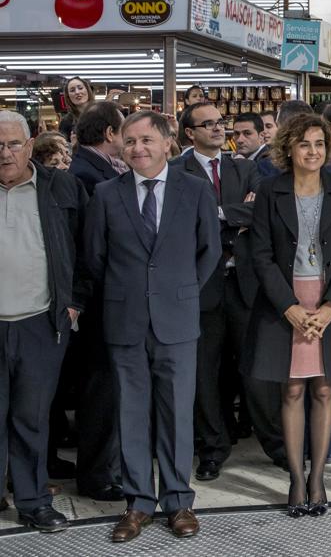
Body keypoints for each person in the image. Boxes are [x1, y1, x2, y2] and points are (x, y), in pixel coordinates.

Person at [80, 110, 220, 542]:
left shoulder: (194, 191)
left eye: (146, 140)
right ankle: (138, 502)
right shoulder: (106, 193)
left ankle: (178, 501)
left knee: (177, 413)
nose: (137, 148)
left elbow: (209, 251)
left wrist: (178, 291)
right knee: (131, 413)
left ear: (167, 142)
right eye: (129, 141)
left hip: (177, 320)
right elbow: (95, 258)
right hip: (124, 320)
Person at [243, 114, 331, 517]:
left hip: (330, 299)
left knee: (325, 389)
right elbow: (260, 256)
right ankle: (297, 477)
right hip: (286, 299)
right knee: (293, 390)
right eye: (303, 144)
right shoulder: (269, 190)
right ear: (288, 149)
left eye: (318, 144)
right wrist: (289, 307)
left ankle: (319, 477)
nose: (312, 151)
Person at [174, 101, 269, 481]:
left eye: (220, 122)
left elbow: (260, 210)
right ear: (189, 133)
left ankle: (276, 443)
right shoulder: (177, 172)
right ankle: (213, 447)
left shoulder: (243, 167)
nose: (218, 129)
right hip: (201, 287)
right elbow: (182, 222)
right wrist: (233, 214)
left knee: (256, 369)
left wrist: (216, 213)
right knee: (205, 373)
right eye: (207, 124)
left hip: (243, 283)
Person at [0, 111, 84, 532]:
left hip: (39, 321)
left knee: (31, 417)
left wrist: (74, 303)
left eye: (13, 144)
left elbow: (87, 247)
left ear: (30, 145)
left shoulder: (60, 186)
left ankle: (32, 501)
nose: (5, 153)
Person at [66, 101, 127, 503]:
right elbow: (94, 249)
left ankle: (104, 467)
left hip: (103, 300)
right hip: (103, 301)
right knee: (101, 391)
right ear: (109, 134)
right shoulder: (90, 177)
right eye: (126, 133)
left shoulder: (94, 171)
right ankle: (96, 475)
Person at [57, 76, 94, 140]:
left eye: (80, 88)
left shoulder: (101, 114)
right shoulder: (66, 121)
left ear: (87, 90)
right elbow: (62, 146)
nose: (77, 92)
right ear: (68, 96)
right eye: (72, 90)